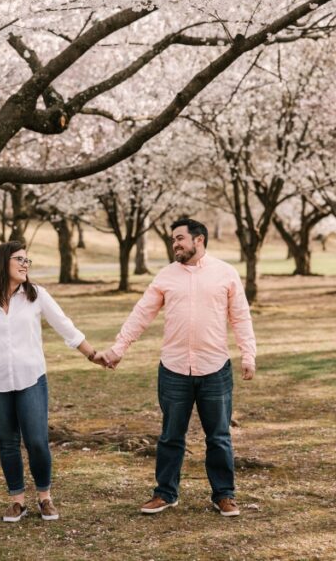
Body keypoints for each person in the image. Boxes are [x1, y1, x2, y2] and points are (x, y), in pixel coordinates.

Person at [95, 217, 256, 517]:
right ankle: (165, 493)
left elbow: (240, 317)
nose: (175, 244)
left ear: (199, 240)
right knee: (170, 436)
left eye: (180, 238)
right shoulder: (166, 276)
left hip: (215, 369)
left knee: (219, 437)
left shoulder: (225, 273)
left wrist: (248, 354)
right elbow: (142, 313)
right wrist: (119, 348)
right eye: (173, 240)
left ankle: (224, 495)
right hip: (174, 370)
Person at [0, 241, 103, 522]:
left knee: (38, 441)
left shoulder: (36, 295)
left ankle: (44, 498)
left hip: (31, 379)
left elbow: (65, 325)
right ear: (3, 262)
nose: (26, 264)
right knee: (7, 442)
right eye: (20, 259)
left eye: (28, 260)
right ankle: (17, 501)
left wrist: (92, 354)